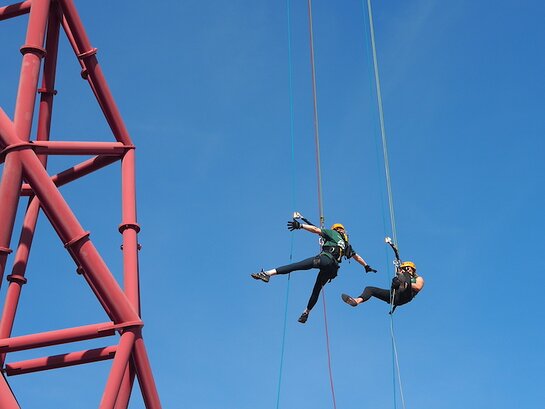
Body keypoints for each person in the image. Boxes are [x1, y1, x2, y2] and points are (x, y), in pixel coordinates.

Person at [251, 220, 377, 324]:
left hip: (325, 260)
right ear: (343, 230)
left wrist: (300, 225)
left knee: (296, 266)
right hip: (332, 270)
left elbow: (316, 230)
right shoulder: (346, 244)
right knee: (316, 290)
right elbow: (357, 257)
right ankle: (306, 312)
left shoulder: (332, 233)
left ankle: (267, 274)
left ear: (335, 229)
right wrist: (366, 266)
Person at [341, 261, 424, 310]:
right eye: (405, 268)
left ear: (413, 270)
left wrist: (406, 283)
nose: (407, 270)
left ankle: (403, 285)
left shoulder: (418, 278)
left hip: (406, 295)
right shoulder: (401, 276)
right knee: (370, 289)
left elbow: (418, 287)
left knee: (405, 278)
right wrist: (397, 282)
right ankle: (356, 301)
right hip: (395, 296)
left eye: (408, 268)